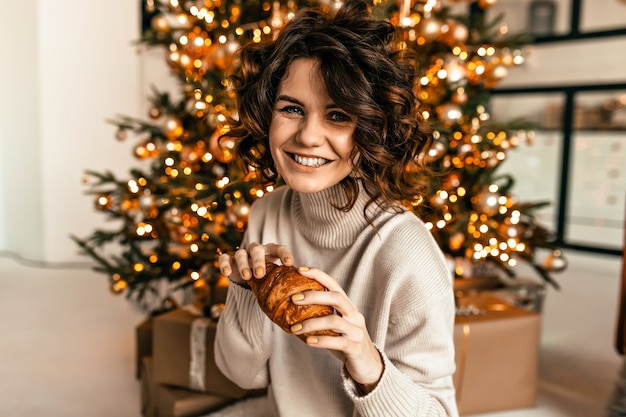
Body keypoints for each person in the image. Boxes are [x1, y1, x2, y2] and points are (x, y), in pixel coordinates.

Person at [213, 1, 458, 416]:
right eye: (291, 108)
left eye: (338, 115)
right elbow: (242, 376)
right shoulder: (266, 215)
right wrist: (245, 292)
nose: (308, 136)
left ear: (370, 129)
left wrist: (367, 361)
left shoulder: (406, 252)